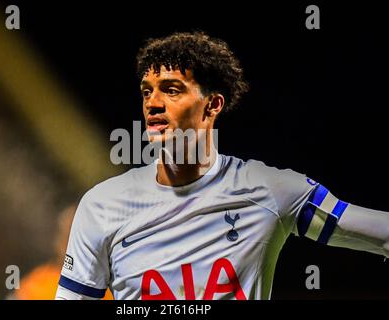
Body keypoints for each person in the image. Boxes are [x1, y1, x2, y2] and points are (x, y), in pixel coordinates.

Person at [55, 32, 388, 300]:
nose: (153, 104)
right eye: (146, 92)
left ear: (212, 105)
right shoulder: (101, 206)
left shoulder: (270, 190)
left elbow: (379, 234)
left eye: (171, 90)